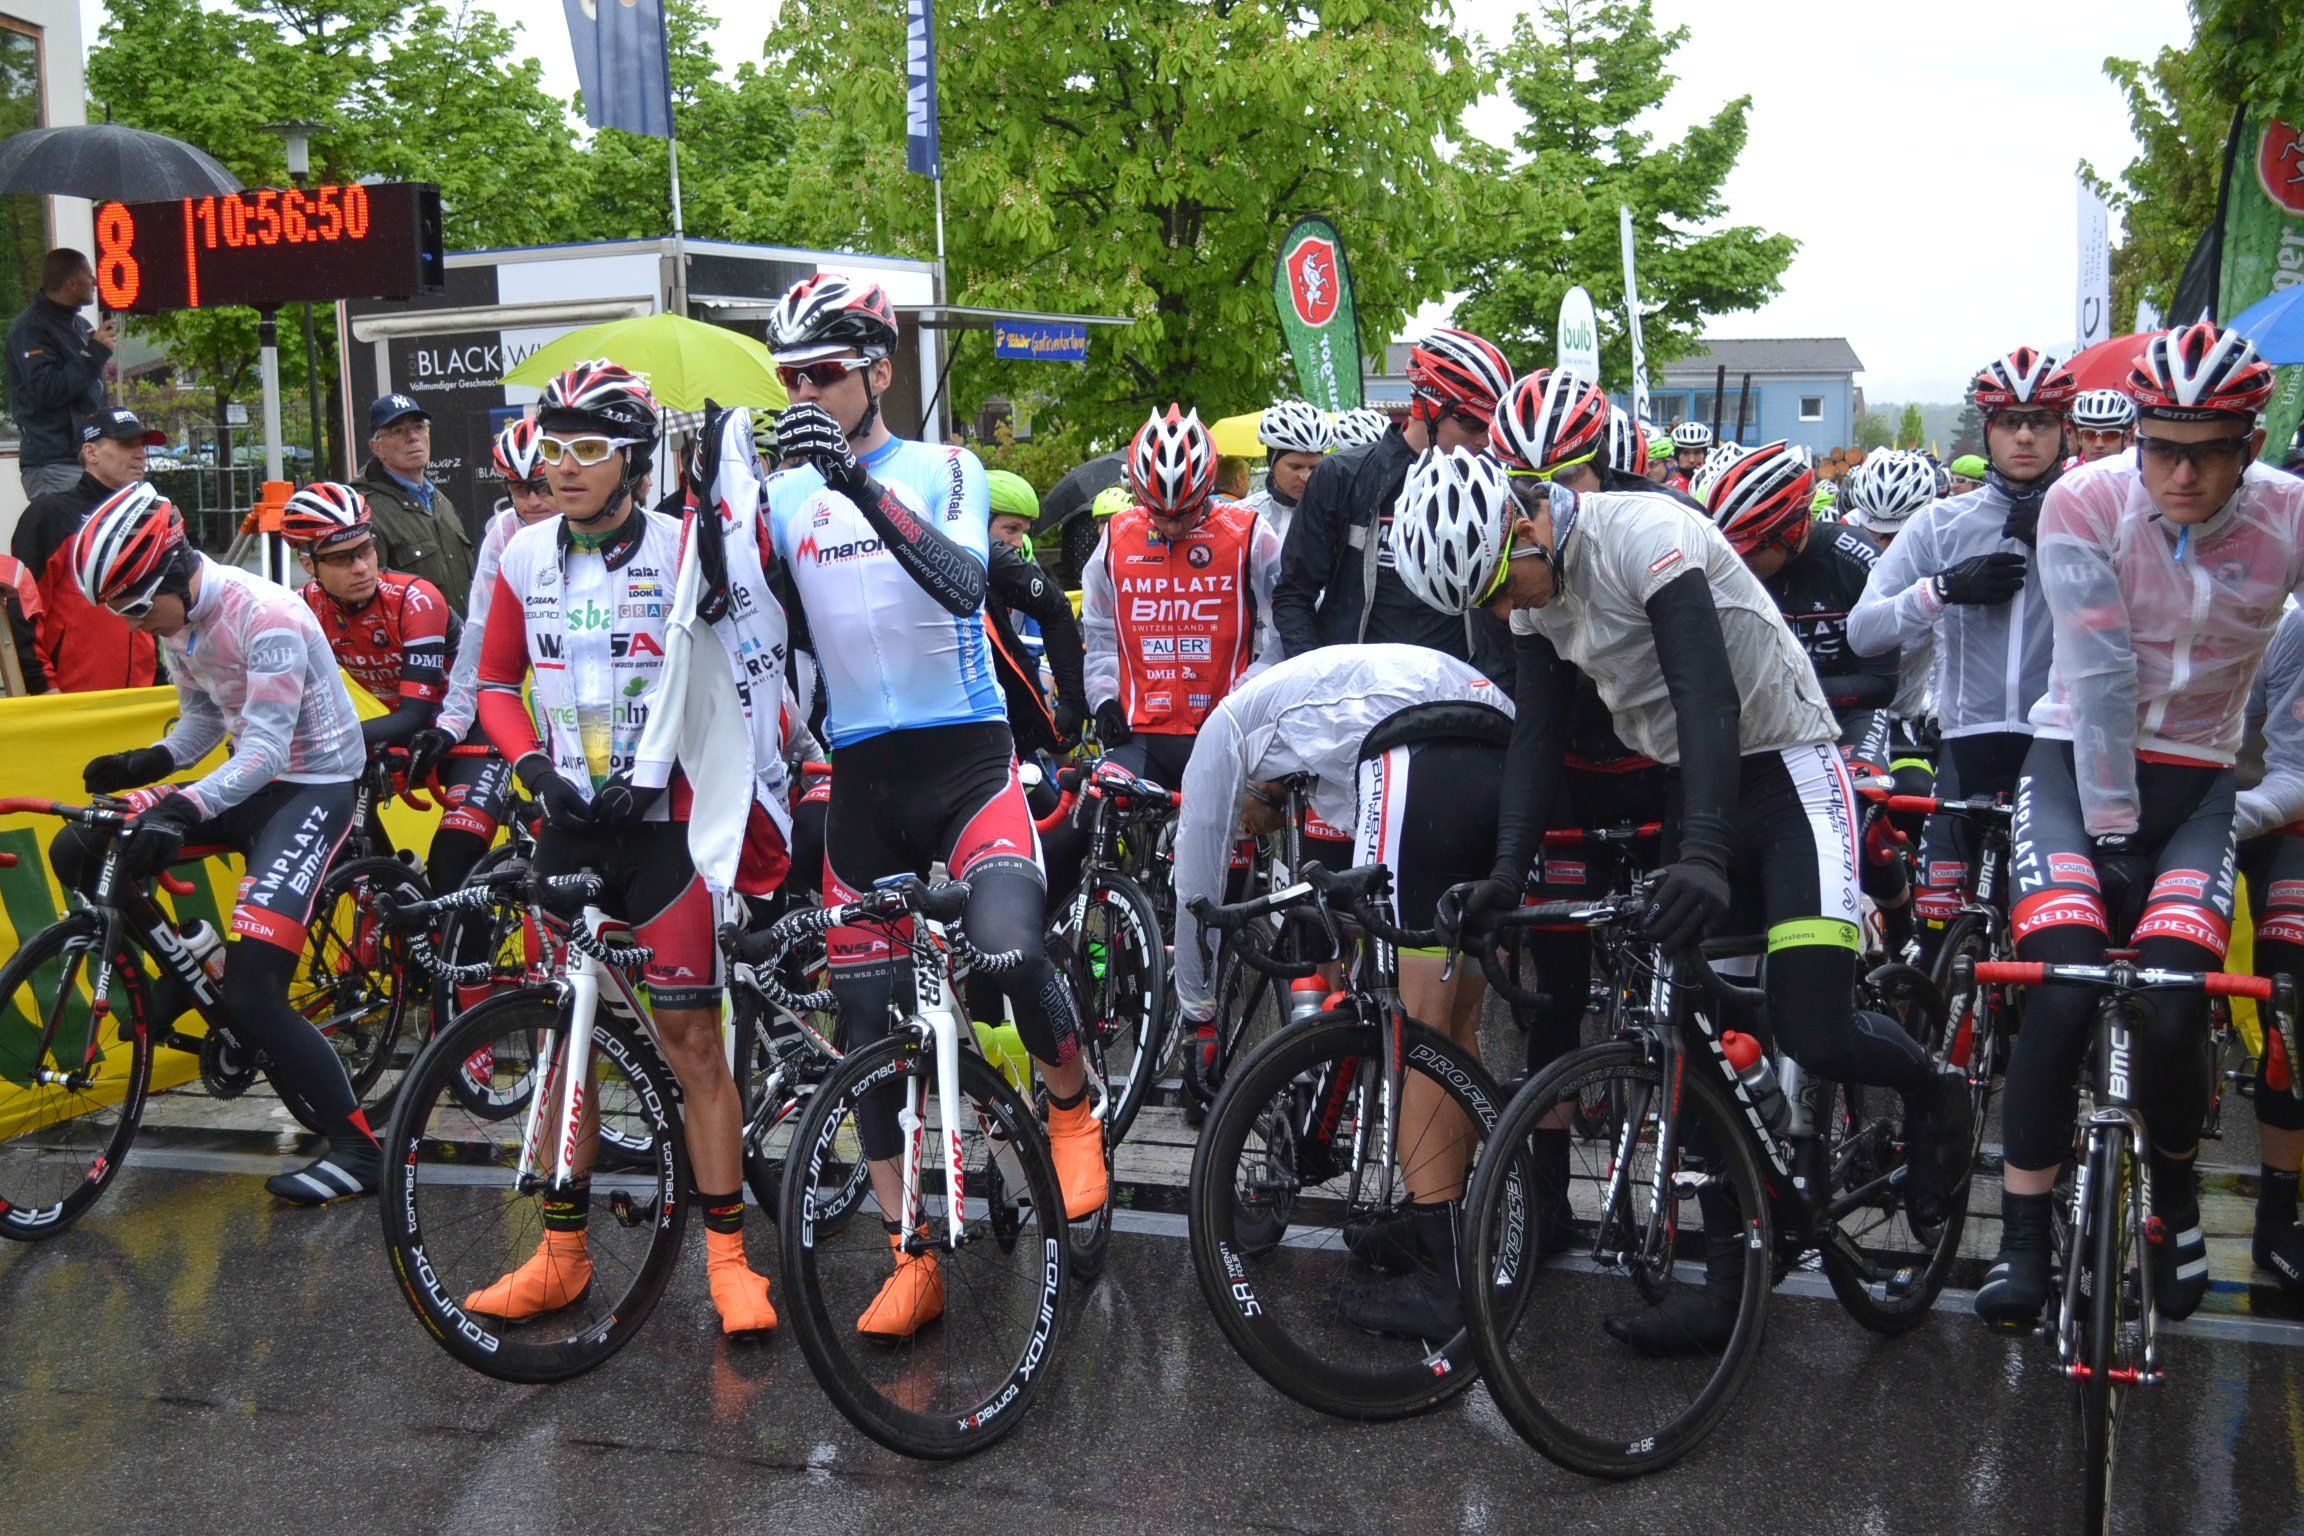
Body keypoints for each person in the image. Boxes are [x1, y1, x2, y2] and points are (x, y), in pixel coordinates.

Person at [1391, 444, 1972, 1356]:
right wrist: (1506, 875)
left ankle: (1936, 1094)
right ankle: (1728, 1282)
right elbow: (1537, 740)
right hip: (1694, 785)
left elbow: (1709, 699)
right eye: (1485, 605)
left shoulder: (1644, 534)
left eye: (1501, 587)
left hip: (1786, 773)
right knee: (1690, 1036)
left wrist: (1701, 854)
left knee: (1811, 1022)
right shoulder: (1534, 596)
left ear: (1524, 522)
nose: (1503, 612)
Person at [761, 271, 1102, 1338]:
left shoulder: (945, 468)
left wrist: (854, 485)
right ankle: (909, 1253)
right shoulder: (781, 498)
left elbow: (960, 581)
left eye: (823, 373)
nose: (804, 393)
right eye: (788, 378)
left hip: (966, 770)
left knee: (1007, 951)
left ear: (879, 372)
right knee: (863, 1029)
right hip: (865, 781)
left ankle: (1071, 1107)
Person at [1979, 323, 2303, 1330]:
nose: (2183, 474)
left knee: (2171, 1004)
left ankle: (2174, 1200)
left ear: (2252, 446)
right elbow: (2100, 670)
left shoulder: (2289, 516)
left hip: (2199, 782)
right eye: (2162, 449)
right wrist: (2115, 831)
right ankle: (2022, 1241)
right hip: (2073, 763)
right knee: (2064, 983)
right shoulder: (2086, 500)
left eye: (2209, 452)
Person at [468, 361, 784, 1339]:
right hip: (570, 819)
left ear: (637, 463)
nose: (562, 466)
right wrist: (531, 768)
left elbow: (751, 660)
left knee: (693, 1044)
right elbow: (493, 682)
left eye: (589, 449)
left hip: (665, 829)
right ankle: (561, 1255)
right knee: (564, 1038)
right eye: (552, 447)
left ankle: (727, 1259)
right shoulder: (523, 553)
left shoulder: (688, 547)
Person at [1170, 639, 1513, 1337]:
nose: (1247, 829)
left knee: (1409, 1031)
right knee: (1453, 1027)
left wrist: (1197, 1008)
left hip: (1427, 746)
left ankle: (1442, 1280)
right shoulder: (1309, 720)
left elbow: (1195, 886)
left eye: (1246, 816)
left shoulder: (1225, 731)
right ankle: (1448, 1223)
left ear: (1251, 784)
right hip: (1499, 743)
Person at [59, 483, 378, 1204]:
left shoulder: (265, 615)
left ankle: (361, 1151)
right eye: (119, 612)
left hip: (311, 785)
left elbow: (266, 749)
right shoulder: (175, 616)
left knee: (255, 991)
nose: (135, 624)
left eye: (137, 609)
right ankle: (190, 954)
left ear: (174, 571)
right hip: (250, 780)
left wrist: (181, 806)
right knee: (82, 846)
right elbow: (205, 718)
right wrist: (150, 762)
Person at [1848, 348, 2073, 972]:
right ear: (1988, 431)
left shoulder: (2094, 513)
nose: (2024, 436)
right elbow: (1864, 630)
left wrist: (2064, 540)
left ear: (2064, 430)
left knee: (2048, 951)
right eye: (2010, 422)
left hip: (2058, 748)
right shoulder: (1942, 523)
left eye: (2040, 421)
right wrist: (1942, 589)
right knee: (1937, 950)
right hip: (1966, 744)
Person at [1706, 441, 1914, 956]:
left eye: (1752, 549)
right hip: (1777, 718)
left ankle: (1899, 916)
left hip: (1852, 713)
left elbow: (1881, 684)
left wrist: (1794, 689)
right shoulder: (1731, 566)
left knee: (1858, 811)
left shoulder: (1853, 559)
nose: (1740, 562)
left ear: (1792, 530)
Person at [1271, 328, 1518, 685]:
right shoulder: (1342, 476)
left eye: (1491, 426)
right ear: (1429, 408)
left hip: (1463, 687)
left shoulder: (1496, 483)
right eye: (1472, 423)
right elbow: (1294, 594)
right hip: (1361, 689)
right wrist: (1320, 684)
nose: (1484, 438)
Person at [1081, 404, 1282, 788]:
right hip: (1141, 735)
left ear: (1207, 490)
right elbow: (1100, 632)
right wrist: (1104, 699)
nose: (1172, 526)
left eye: (1185, 513)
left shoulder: (1250, 533)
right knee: (1092, 809)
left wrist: (1247, 696)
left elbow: (1286, 629)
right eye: (1158, 514)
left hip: (1225, 729)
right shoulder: (1118, 536)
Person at [413, 417, 554, 902]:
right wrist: (452, 723)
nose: (531, 501)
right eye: (518, 489)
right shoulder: (505, 532)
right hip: (526, 687)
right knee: (455, 861)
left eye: (542, 487)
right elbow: (479, 632)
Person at [2233, 602, 2304, 1294]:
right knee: (2291, 1007)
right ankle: (2275, 1214)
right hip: (2234, 800)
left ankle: (2281, 1212)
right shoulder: (2295, 626)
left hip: (2284, 805)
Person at [11, 406, 163, 692]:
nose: (140, 454)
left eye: (142, 445)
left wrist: (157, 677)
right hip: (71, 697)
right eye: (126, 444)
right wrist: (43, 684)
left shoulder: (149, 516)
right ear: (91, 453)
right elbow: (22, 607)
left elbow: (152, 606)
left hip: (142, 696)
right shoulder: (50, 515)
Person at [981, 468, 1088, 760]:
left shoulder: (1009, 561)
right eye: (1011, 529)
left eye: (1023, 532)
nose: (1018, 542)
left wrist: (1072, 705)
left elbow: (1055, 610)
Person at [7, 249, 116, 499]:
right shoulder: (31, 329)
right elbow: (47, 390)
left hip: (86, 459)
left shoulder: (81, 327)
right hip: (53, 463)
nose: (95, 281)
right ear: (71, 284)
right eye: (89, 275)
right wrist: (94, 353)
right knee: (67, 525)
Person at [357, 393, 475, 611]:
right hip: (411, 633)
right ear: (376, 447)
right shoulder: (365, 511)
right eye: (397, 431)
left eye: (419, 427)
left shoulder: (440, 500)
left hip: (462, 631)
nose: (412, 437)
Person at [1241, 399, 1334, 546]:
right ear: (1272, 464)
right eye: (1295, 467)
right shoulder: (1243, 515)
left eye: (1314, 468)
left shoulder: (1336, 515)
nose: (1306, 477)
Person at [2069, 388, 2136, 463]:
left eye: (2110, 435)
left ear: (2127, 438)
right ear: (2079, 438)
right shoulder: (2066, 469)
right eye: (2090, 434)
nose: (2099, 444)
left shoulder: (2141, 469)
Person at [1666, 420, 1711, 489]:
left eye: (1697, 453)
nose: (1691, 460)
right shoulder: (1669, 490)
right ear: (1677, 457)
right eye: (1686, 453)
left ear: (1705, 455)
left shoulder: (1715, 486)